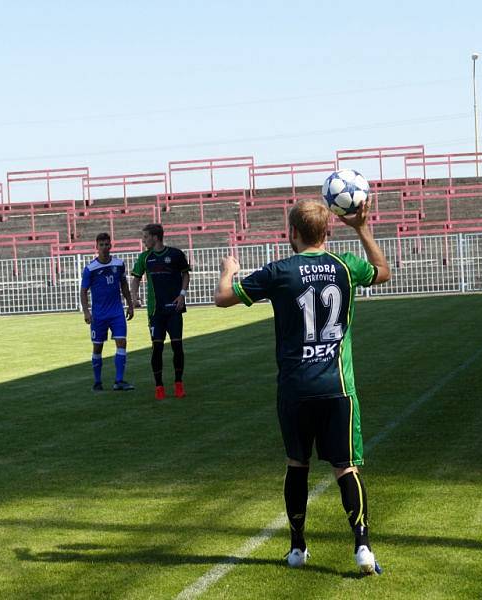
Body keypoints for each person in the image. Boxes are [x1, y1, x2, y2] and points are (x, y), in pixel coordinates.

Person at [214, 199, 390, 575]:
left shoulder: (279, 271)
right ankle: (363, 548)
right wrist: (360, 227)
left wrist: (229, 271)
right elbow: (383, 270)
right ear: (328, 231)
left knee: (298, 464)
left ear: (291, 232)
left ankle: (297, 547)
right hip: (337, 386)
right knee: (346, 468)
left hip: (295, 388)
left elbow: (223, 298)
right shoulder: (346, 265)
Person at [130, 223, 190, 400]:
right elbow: (135, 279)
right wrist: (134, 297)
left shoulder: (176, 254)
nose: (144, 240)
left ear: (155, 237)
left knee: (177, 347)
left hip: (174, 309)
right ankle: (159, 386)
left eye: (146, 237)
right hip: (155, 311)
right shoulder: (145, 258)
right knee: (157, 348)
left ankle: (178, 383)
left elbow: (185, 274)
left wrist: (182, 295)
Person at [80, 232, 135, 391]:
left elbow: (124, 285)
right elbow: (83, 291)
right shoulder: (90, 269)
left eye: (106, 244)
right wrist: (86, 312)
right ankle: (97, 382)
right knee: (98, 347)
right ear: (96, 247)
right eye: (101, 245)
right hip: (99, 315)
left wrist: (130, 304)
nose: (104, 247)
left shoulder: (118, 264)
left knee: (122, 343)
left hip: (116, 312)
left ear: (111, 245)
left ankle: (119, 381)